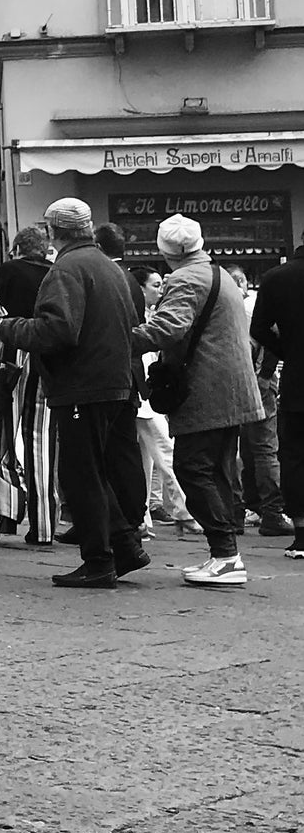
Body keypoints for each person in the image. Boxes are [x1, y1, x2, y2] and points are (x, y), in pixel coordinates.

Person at [0, 199, 148, 591]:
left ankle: (99, 560)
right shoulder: (108, 267)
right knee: (93, 470)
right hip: (113, 381)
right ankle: (124, 547)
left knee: (81, 474)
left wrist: (8, 328)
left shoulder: (67, 269)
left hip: (83, 383)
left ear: (52, 231)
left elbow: (58, 330)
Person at [134, 214, 262, 588]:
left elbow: (167, 328)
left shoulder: (186, 279)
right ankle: (225, 554)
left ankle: (226, 555)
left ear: (165, 251)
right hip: (233, 388)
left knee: (193, 468)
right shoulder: (218, 274)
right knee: (218, 470)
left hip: (207, 390)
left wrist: (118, 337)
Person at [0, 225, 56, 544]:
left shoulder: (9, 271)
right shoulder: (56, 273)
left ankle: (7, 512)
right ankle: (44, 524)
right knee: (41, 439)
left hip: (14, 355)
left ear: (17, 249)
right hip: (50, 360)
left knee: (7, 435)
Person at [224, 262, 289, 535]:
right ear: (242, 282)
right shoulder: (252, 306)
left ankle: (237, 512)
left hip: (230, 380)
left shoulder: (224, 307)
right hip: (259, 379)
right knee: (264, 447)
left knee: (233, 448)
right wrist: (266, 375)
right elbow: (271, 335)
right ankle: (272, 511)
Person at [131, 266, 195, 536]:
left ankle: (141, 516)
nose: (160, 291)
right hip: (141, 393)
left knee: (146, 458)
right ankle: (185, 511)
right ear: (140, 288)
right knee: (164, 450)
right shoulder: (138, 316)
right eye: (155, 285)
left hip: (143, 392)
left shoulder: (150, 316)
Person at [251, 239, 304, 557]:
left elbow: (259, 327)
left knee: (294, 455)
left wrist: (288, 352)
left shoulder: (276, 277)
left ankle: (301, 530)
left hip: (298, 378)